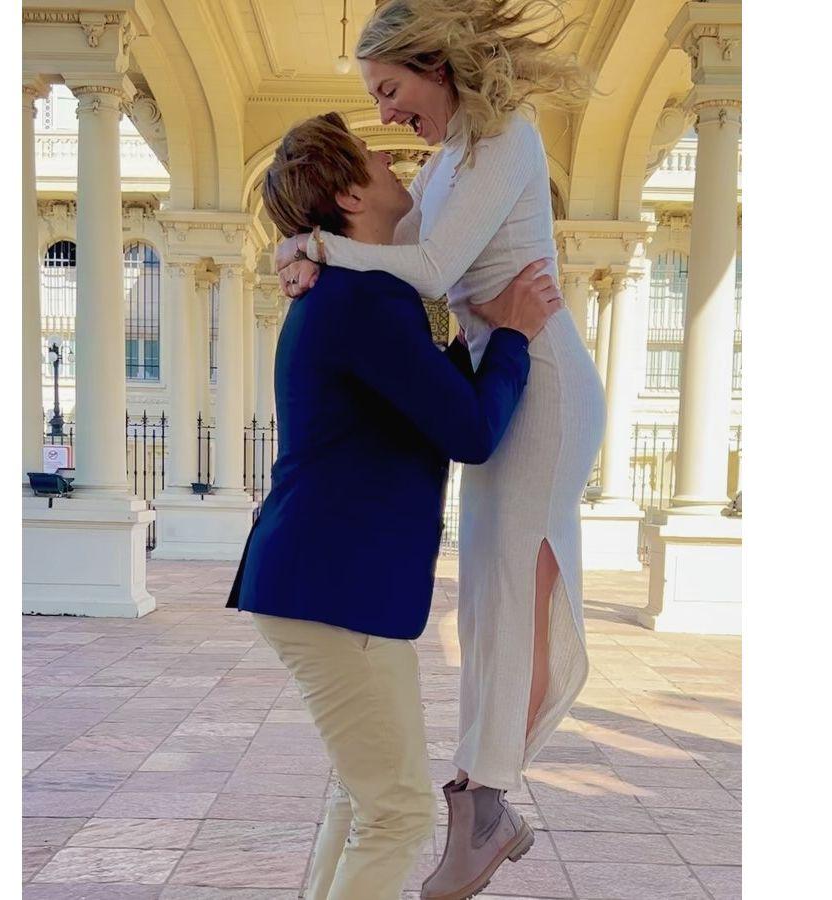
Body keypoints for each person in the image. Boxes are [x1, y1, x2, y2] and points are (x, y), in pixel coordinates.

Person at [274, 3, 607, 898]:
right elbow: (392, 248)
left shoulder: (505, 139)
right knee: (485, 598)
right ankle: (482, 800)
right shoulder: (449, 158)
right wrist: (311, 252)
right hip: (501, 370)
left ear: (436, 64)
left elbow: (424, 271)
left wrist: (311, 243)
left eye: (391, 90)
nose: (386, 114)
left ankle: (483, 801)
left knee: (510, 588)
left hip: (539, 377)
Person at [227, 112, 562, 900]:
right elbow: (470, 431)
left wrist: (304, 248)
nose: (388, 153)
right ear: (350, 194)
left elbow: (438, 393)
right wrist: (513, 335)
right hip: (333, 592)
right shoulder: (363, 300)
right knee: (399, 811)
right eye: (370, 156)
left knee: (363, 799)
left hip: (328, 587)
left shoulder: (362, 291)